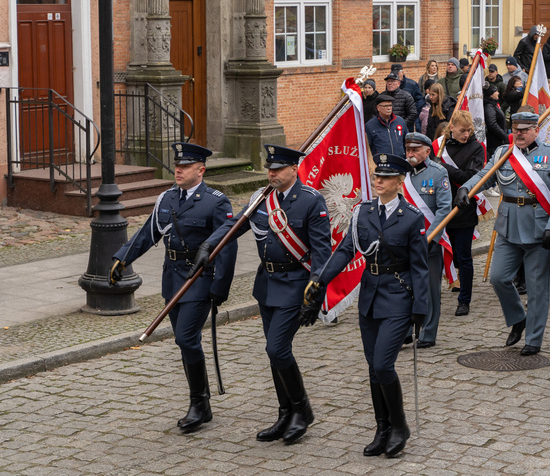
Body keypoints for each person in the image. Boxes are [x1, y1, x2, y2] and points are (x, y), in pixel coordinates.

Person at [192, 144, 331, 444]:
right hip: (267, 284)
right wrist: (209, 246)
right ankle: (285, 414)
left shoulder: (310, 201)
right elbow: (234, 225)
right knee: (274, 352)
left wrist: (317, 290)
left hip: (296, 284)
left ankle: (302, 411)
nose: (272, 173)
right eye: (270, 168)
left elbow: (322, 252)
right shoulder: (261, 198)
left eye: (279, 169)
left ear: (294, 169)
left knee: (277, 349)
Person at [111, 143, 237, 433]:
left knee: (186, 337)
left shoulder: (216, 201)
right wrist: (122, 258)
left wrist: (221, 286)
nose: (178, 170)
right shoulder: (166, 198)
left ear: (201, 170)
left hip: (198, 278)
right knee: (185, 340)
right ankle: (202, 404)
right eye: (177, 165)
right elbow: (148, 233)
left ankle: (198, 403)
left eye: (185, 166)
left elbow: (227, 243)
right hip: (173, 277)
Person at [313, 153, 428, 458]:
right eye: (377, 176)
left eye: (386, 177)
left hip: (399, 297)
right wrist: (321, 279)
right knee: (373, 369)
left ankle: (400, 426)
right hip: (370, 296)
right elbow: (346, 250)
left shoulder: (412, 217)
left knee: (382, 364)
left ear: (400, 181)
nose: (378, 181)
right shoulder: (363, 212)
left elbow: (420, 267)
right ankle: (382, 428)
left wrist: (421, 308)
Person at [457, 111, 550, 355]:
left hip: (540, 229)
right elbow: (485, 176)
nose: (519, 133)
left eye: (525, 129)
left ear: (536, 130)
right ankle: (518, 318)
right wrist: (467, 188)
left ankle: (534, 339)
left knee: (538, 289)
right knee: (498, 278)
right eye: (516, 129)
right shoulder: (502, 153)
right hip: (508, 227)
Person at [403, 133, 451, 348]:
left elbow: (444, 209)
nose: (410, 154)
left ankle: (428, 333)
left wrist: (432, 237)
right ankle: (404, 330)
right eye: (408, 150)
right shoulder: (401, 172)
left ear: (427, 151)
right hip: (404, 241)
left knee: (430, 288)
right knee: (404, 287)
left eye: (415, 150)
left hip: (428, 241)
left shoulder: (438, 173)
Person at [439, 111, 486, 317]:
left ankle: (464, 300)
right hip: (441, 209)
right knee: (445, 255)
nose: (466, 134)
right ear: (452, 128)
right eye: (462, 130)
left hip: (463, 209)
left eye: (469, 131)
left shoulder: (477, 148)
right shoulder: (440, 147)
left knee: (464, 257)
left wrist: (442, 166)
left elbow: (469, 177)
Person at [390, 63, 424, 132]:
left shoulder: (412, 84)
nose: (396, 75)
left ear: (402, 72)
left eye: (397, 73)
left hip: (408, 119)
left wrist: (413, 110)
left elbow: (419, 100)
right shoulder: (390, 85)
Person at [483, 83, 506, 159]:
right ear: (491, 95)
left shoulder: (494, 104)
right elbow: (492, 124)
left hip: (497, 140)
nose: (498, 93)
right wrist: (503, 135)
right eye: (496, 91)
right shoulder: (489, 106)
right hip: (494, 142)